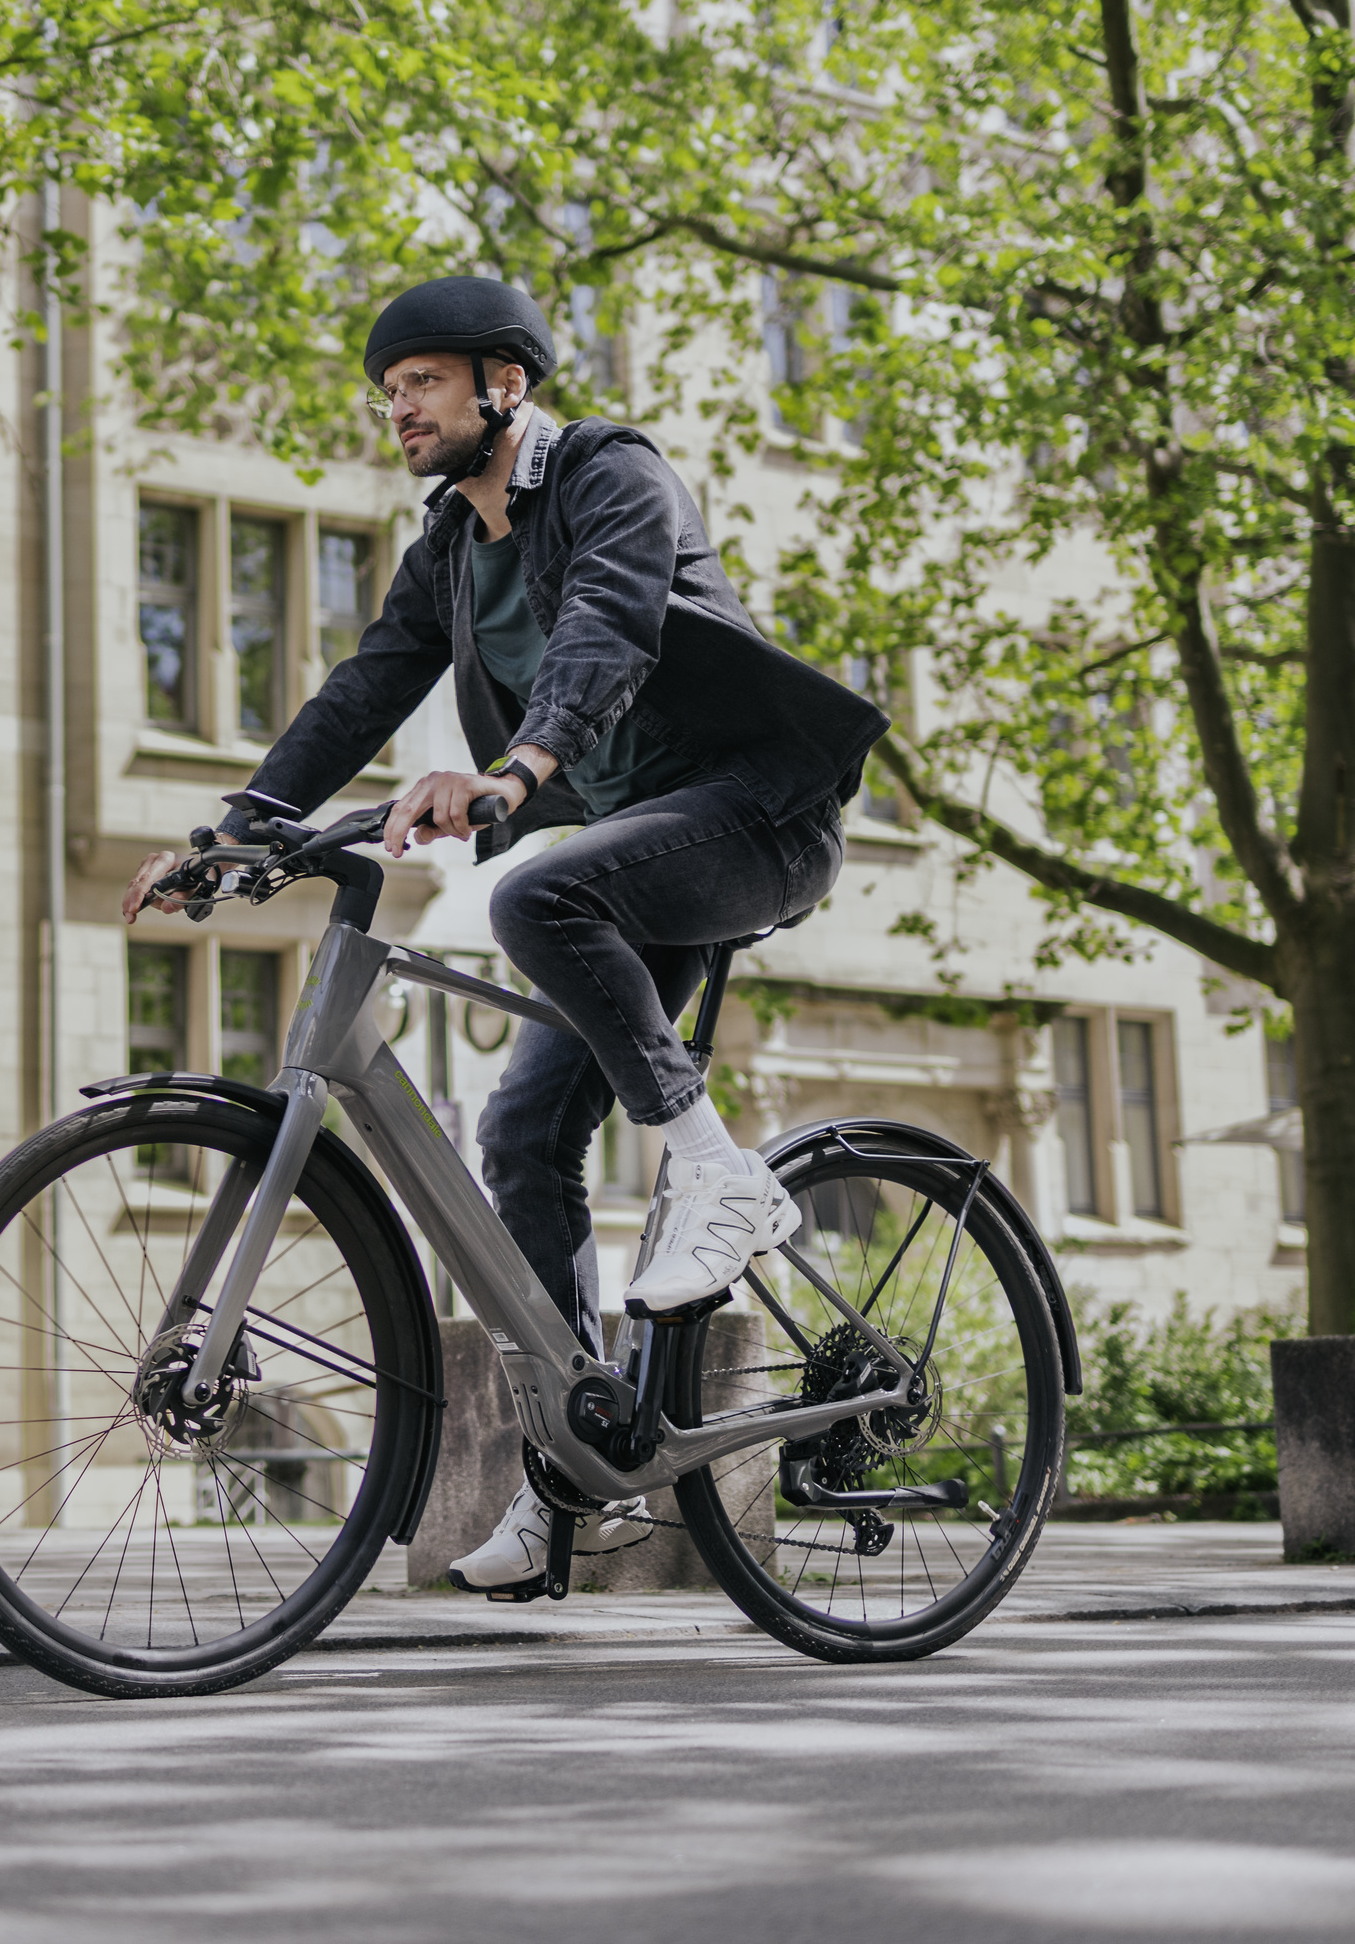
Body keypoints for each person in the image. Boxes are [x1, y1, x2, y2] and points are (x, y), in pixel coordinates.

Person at [122, 274, 887, 1592]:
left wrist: (517, 770)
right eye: (389, 392)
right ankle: (569, 1468)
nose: (399, 409)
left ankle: (716, 1173)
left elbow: (610, 623)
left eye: (419, 381)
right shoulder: (450, 553)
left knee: (534, 893)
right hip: (635, 853)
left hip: (759, 815)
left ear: (504, 385)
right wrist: (238, 829)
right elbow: (366, 686)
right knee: (521, 1139)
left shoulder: (611, 475)